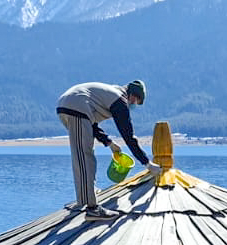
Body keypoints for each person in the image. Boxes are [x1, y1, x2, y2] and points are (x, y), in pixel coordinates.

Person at [56, 80, 159, 220]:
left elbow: (91, 126)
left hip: (69, 106)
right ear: (131, 94)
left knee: (83, 153)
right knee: (85, 157)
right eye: (136, 100)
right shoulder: (119, 100)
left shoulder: (109, 94)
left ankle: (85, 197)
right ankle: (92, 208)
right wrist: (147, 163)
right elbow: (128, 136)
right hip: (76, 107)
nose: (134, 104)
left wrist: (109, 143)